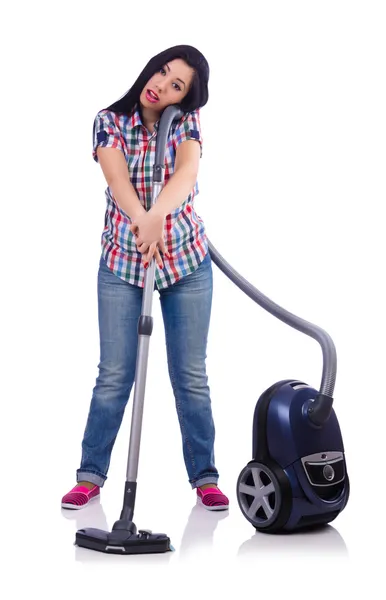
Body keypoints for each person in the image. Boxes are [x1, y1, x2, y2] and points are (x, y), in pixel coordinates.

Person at [61, 45, 229, 512]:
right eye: (163, 72)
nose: (162, 84)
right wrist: (144, 220)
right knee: (114, 374)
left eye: (177, 84)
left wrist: (158, 215)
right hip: (122, 265)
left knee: (190, 376)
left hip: (186, 265)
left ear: (186, 98)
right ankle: (90, 474)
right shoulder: (109, 121)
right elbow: (117, 182)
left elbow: (186, 172)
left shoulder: (185, 125)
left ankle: (205, 476)